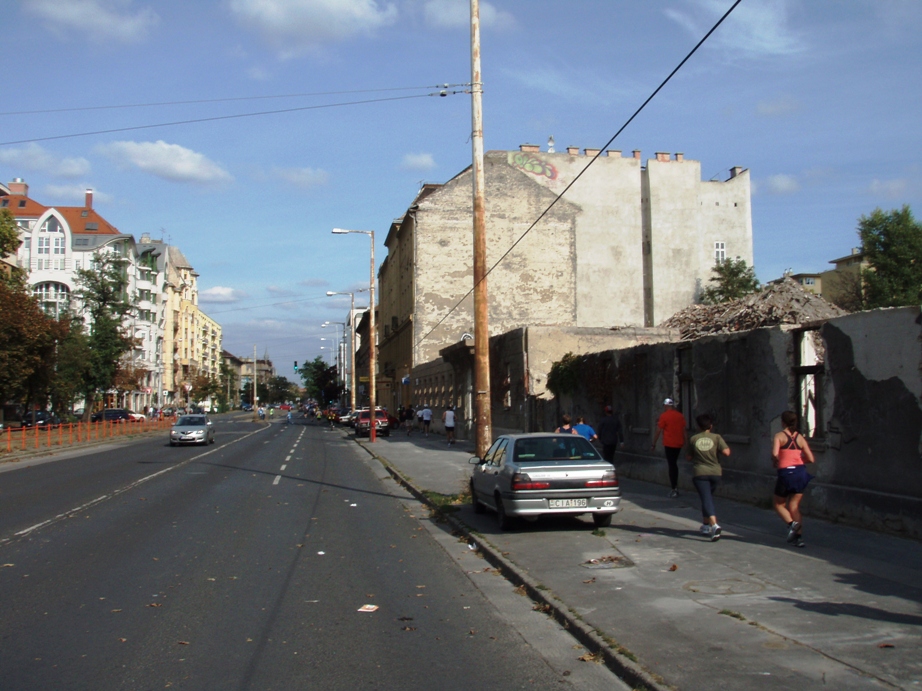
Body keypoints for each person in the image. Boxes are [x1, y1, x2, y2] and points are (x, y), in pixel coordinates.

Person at [771, 411, 815, 548]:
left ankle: (792, 525)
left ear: (782, 422)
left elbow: (774, 454)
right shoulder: (800, 438)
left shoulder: (779, 436)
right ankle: (799, 538)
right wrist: (798, 460)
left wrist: (776, 461)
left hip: (786, 473)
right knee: (794, 506)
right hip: (800, 473)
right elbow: (811, 459)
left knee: (778, 504)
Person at [687, 414, 731, 542]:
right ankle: (705, 525)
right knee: (707, 498)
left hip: (700, 472)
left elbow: (688, 457)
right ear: (710, 426)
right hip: (715, 472)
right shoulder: (717, 437)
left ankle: (714, 525)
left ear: (698, 426)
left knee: (706, 499)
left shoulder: (694, 439)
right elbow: (727, 452)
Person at [652, 398, 687, 497]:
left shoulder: (664, 416)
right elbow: (684, 431)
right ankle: (674, 487)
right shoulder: (680, 416)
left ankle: (674, 488)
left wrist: (653, 443)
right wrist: (686, 444)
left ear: (666, 406)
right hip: (679, 443)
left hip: (669, 444)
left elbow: (658, 431)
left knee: (671, 465)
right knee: (674, 464)